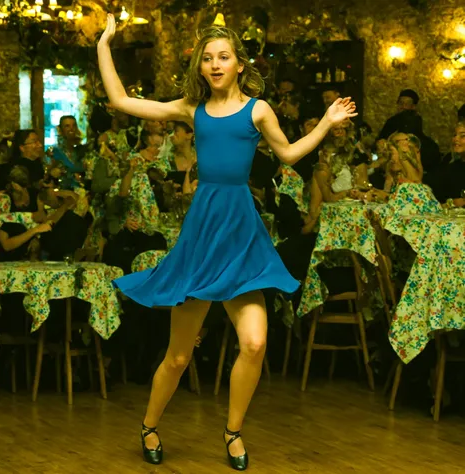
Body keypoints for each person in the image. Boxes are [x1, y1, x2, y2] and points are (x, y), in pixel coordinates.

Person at [98, 15, 357, 470]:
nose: (215, 65)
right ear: (200, 67)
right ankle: (149, 425)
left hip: (241, 235)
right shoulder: (189, 109)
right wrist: (104, 42)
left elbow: (291, 154)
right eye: (208, 58)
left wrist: (328, 122)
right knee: (178, 356)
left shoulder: (257, 110)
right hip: (203, 236)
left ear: (239, 64)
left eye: (224, 57)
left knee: (254, 343)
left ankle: (233, 432)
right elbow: (120, 100)